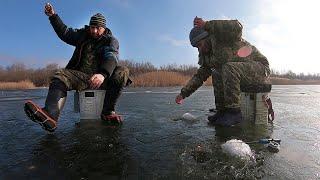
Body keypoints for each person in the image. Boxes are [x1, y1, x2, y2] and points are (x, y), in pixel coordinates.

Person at [24, 3, 131, 132]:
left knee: (123, 71)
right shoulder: (82, 35)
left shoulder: (111, 40)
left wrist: (102, 74)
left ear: (104, 28)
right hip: (82, 78)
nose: (94, 31)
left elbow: (111, 56)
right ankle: (51, 115)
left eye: (98, 28)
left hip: (104, 79)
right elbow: (65, 32)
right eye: (92, 27)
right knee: (60, 75)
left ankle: (108, 111)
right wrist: (53, 16)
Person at [175, 17, 270, 127]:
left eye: (200, 45)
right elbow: (200, 76)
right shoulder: (207, 56)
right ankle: (222, 111)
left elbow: (237, 26)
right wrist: (183, 94)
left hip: (259, 68)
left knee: (228, 67)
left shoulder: (223, 37)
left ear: (208, 38)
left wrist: (207, 25)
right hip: (240, 71)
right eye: (197, 47)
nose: (200, 49)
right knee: (216, 71)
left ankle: (234, 112)